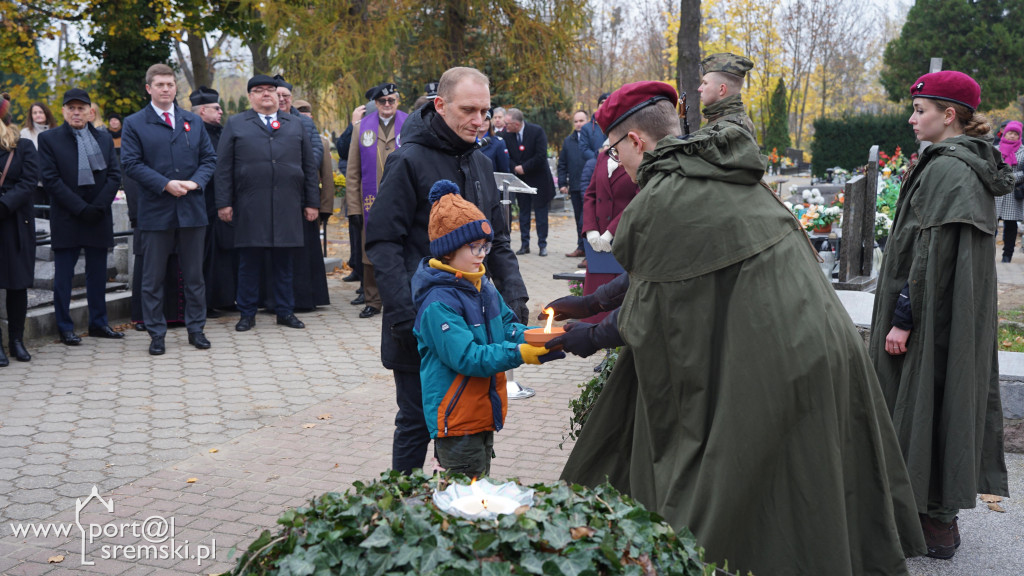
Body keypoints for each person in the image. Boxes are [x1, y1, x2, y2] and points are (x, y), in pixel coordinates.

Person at [548, 81, 926, 575]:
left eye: (616, 150)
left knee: (739, 503)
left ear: (636, 141)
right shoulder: (717, 169)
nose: (617, 163)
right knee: (815, 490)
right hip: (825, 347)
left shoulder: (661, 198)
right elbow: (672, 270)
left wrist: (585, 336)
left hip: (779, 360)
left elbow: (650, 312)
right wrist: (592, 301)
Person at [869, 70, 1011, 559]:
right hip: (944, 314)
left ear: (949, 115)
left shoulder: (951, 169)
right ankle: (933, 522)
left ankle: (932, 523)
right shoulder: (955, 163)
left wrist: (902, 319)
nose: (912, 118)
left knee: (926, 400)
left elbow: (927, 257)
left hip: (929, 317)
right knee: (933, 400)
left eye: (920, 110)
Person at [365, 66, 529, 475]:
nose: (479, 121)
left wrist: (515, 297)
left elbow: (499, 240)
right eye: (469, 110)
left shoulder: (481, 163)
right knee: (416, 421)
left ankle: (456, 505)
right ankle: (398, 506)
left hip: (473, 321)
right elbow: (382, 243)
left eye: (485, 111)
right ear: (440, 106)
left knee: (464, 420)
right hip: (419, 319)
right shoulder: (408, 161)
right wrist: (405, 312)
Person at [414, 180, 562, 477]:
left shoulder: (483, 287)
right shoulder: (438, 303)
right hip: (456, 419)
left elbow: (506, 327)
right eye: (474, 247)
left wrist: (539, 337)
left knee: (476, 490)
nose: (482, 254)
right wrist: (521, 353)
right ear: (448, 251)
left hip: (481, 413)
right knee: (460, 501)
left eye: (485, 246)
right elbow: (468, 357)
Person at [121, 63, 217, 356]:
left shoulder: (193, 121)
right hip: (156, 212)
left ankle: (196, 329)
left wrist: (195, 183)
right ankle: (156, 333)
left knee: (194, 277)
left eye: (170, 85)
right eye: (160, 85)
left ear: (176, 88)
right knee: (152, 278)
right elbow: (131, 163)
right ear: (149, 88)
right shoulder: (135, 123)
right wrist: (165, 184)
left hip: (191, 210)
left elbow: (209, 160)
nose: (166, 89)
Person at [215, 74, 319, 333]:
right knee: (249, 263)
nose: (266, 94)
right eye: (259, 90)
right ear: (250, 96)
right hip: (251, 205)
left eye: (270, 90)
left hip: (287, 205)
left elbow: (308, 166)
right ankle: (247, 314)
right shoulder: (236, 124)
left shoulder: (295, 124)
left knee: (285, 263)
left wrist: (311, 202)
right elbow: (224, 167)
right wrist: (224, 203)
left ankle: (285, 311)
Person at [38, 88, 124, 347]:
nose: (76, 112)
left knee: (97, 273)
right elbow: (51, 180)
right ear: (63, 111)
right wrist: (80, 208)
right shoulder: (50, 139)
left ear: (90, 111)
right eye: (71, 108)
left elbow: (113, 175)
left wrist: (97, 206)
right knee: (63, 276)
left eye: (81, 108)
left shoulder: (104, 138)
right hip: (68, 216)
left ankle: (98, 323)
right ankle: (65, 327)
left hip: (97, 214)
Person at [347, 82, 408, 318]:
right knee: (369, 252)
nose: (387, 105)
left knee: (402, 251)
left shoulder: (409, 124)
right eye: (382, 101)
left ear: (397, 101)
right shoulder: (361, 127)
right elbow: (353, 171)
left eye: (391, 100)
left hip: (402, 201)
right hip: (370, 202)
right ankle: (373, 300)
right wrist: (353, 207)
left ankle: (401, 300)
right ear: (375, 103)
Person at [268, 82, 329, 313]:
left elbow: (314, 156)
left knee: (302, 251)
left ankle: (304, 298)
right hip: (271, 196)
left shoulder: (304, 122)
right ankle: (274, 300)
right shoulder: (263, 121)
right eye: (278, 95)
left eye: (286, 95)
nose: (282, 99)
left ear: (292, 98)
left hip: (299, 193)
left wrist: (285, 168)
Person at [190, 86, 236, 314]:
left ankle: (226, 298)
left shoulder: (223, 132)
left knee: (226, 253)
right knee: (206, 255)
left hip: (225, 201)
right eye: (216, 108)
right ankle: (206, 303)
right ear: (202, 111)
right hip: (203, 203)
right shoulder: (191, 133)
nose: (221, 112)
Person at [0, 93, 38, 365]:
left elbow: (28, 182)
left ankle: (16, 340)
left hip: (13, 224)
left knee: (17, 285)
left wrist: (3, 205)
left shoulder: (22, 145)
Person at [579, 141, 639, 304]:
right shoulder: (602, 157)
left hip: (623, 238)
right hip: (597, 244)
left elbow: (638, 201)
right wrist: (591, 229)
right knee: (594, 302)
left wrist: (610, 232)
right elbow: (590, 194)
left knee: (619, 302)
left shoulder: (639, 158)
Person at [500, 108, 555, 256]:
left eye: (508, 123)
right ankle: (525, 245)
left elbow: (541, 155)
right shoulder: (506, 135)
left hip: (539, 179)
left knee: (540, 214)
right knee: (524, 213)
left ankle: (542, 244)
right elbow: (506, 156)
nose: (505, 126)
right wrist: (515, 168)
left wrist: (525, 167)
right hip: (520, 180)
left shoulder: (536, 131)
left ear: (516, 124)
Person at [295, 99, 337, 247]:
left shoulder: (322, 142)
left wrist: (325, 208)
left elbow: (326, 177)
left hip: (311, 203)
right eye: (300, 113)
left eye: (307, 114)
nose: (305, 117)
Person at [558, 110, 592, 258]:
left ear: (588, 121)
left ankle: (590, 250)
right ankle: (581, 247)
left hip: (591, 186)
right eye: (576, 121)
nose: (578, 124)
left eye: (581, 121)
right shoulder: (568, 141)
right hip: (576, 186)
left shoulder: (592, 139)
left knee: (588, 218)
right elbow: (562, 164)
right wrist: (562, 183)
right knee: (579, 218)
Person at [696, 52, 756, 137]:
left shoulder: (728, 130)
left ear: (722, 89)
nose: (700, 89)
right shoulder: (727, 120)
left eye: (705, 83)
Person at [996, 120, 1023, 262]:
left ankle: (1007, 255)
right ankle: (987, 253)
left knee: (1010, 226)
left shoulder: (1022, 151)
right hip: (995, 192)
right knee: (991, 224)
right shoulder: (995, 149)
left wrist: (1012, 177)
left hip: (1013, 193)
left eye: (1015, 134)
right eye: (1010, 133)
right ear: (1004, 134)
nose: (1012, 136)